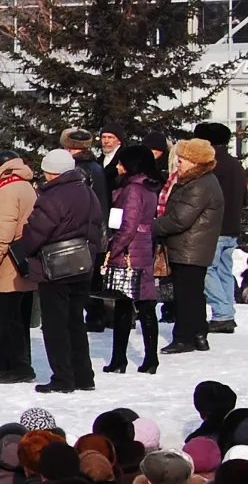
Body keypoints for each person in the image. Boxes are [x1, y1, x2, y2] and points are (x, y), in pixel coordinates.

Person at [14, 148, 103, 393]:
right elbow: (96, 226)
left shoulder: (53, 196)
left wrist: (23, 249)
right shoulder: (87, 192)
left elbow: (37, 231)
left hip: (55, 266)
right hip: (82, 263)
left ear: (51, 172)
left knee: (55, 325)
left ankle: (63, 377)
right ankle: (84, 375)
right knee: (75, 321)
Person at [154, 137, 225, 354]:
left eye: (183, 159)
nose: (178, 163)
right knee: (193, 293)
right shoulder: (199, 181)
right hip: (191, 247)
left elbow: (180, 219)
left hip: (189, 248)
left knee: (186, 294)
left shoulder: (199, 184)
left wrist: (151, 226)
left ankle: (184, 337)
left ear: (195, 161)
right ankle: (198, 333)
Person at [0, 150, 38, 385]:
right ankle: (15, 363)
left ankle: (15, 366)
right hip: (22, 259)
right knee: (19, 318)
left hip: (6, 263)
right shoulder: (25, 185)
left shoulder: (6, 190)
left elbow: (2, 231)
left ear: (3, 167)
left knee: (5, 319)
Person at [104, 145, 161, 374]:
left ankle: (121, 359)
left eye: (121, 162)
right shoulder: (148, 186)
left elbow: (127, 225)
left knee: (125, 306)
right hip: (143, 247)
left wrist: (113, 250)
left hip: (130, 251)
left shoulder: (133, 190)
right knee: (144, 305)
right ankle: (148, 358)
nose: (118, 166)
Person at [193, 122, 242, 335]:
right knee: (223, 269)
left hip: (214, 227)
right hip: (232, 226)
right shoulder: (235, 164)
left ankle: (222, 313)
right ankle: (227, 312)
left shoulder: (213, 165)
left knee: (208, 271)